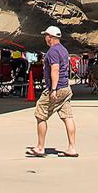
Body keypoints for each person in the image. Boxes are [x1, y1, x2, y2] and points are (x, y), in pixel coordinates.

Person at [28, 25, 77, 158]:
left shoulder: (52, 51)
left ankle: (40, 147)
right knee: (67, 116)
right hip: (66, 87)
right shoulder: (63, 50)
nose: (45, 38)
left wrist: (53, 89)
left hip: (57, 88)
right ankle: (72, 147)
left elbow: (55, 69)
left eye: (46, 36)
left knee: (40, 114)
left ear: (50, 37)